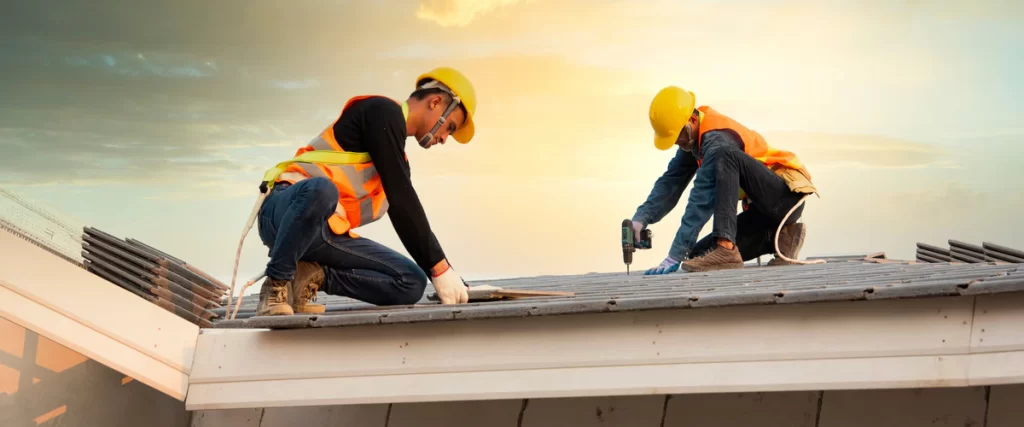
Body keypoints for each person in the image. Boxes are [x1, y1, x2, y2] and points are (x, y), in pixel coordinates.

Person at [253, 67, 480, 316]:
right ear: (436, 102)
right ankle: (275, 285)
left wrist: (446, 274)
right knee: (322, 190)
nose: (445, 138)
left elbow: (406, 215)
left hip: (323, 235)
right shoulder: (381, 111)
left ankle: (309, 276)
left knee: (411, 282)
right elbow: (404, 199)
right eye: (450, 127)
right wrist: (440, 269)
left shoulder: (395, 161)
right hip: (283, 213)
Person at [630, 86, 818, 275]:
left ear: (692, 120)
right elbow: (671, 181)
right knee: (697, 256)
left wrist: (675, 253)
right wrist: (641, 218)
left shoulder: (717, 139)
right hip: (762, 213)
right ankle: (782, 237)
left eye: (677, 137)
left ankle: (725, 248)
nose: (677, 143)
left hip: (785, 197)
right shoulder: (693, 139)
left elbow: (701, 199)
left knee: (725, 155)